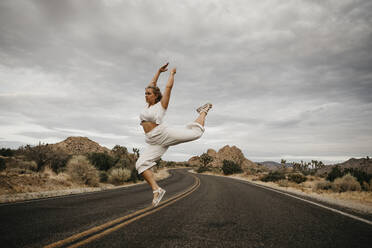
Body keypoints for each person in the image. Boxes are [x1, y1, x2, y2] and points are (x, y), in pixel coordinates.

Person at [136, 62, 213, 207]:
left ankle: (204, 110)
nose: (146, 95)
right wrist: (158, 72)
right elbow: (152, 84)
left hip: (163, 134)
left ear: (156, 96)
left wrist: (171, 74)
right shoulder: (147, 106)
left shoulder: (161, 105)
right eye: (145, 93)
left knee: (196, 133)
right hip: (153, 140)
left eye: (148, 94)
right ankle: (157, 190)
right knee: (140, 165)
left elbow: (168, 87)